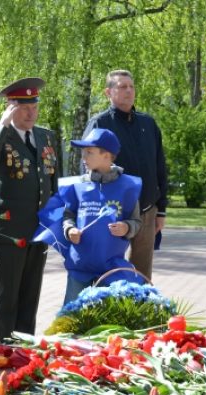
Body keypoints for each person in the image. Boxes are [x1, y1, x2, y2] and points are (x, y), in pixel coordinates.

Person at [0, 77, 58, 340]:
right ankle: (4, 348)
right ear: (11, 108)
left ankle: (25, 348)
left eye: (34, 107)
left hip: (38, 229)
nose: (30, 113)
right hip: (9, 230)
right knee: (7, 294)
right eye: (24, 108)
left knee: (30, 295)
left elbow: (52, 180)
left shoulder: (46, 136)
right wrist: (2, 124)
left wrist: (55, 222)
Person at [83, 70, 167, 281]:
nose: (128, 91)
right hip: (111, 212)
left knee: (142, 275)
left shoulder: (148, 124)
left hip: (146, 211)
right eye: (122, 87)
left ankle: (140, 313)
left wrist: (161, 211)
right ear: (108, 92)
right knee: (108, 272)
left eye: (131, 86)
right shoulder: (100, 124)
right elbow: (87, 168)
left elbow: (159, 167)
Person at [59, 128, 142, 304]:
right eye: (83, 152)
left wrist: (127, 227)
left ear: (106, 156)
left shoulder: (127, 186)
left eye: (89, 152)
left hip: (112, 269)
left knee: (107, 321)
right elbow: (68, 215)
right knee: (70, 319)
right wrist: (69, 229)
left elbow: (136, 221)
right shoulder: (77, 185)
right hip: (80, 267)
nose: (84, 158)